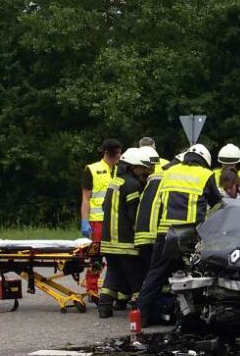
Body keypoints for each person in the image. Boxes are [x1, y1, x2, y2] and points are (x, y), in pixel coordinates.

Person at [137, 143, 222, 324]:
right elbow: (217, 203)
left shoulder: (169, 172)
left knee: (156, 275)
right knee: (195, 275)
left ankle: (141, 317)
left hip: (165, 232)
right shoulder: (205, 174)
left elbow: (158, 202)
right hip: (189, 235)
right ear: (204, 161)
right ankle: (190, 317)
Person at [98, 148, 152, 318]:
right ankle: (138, 308)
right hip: (125, 242)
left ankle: (104, 306)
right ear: (133, 167)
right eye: (142, 168)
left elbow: (104, 206)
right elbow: (133, 214)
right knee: (135, 275)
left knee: (113, 274)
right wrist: (140, 232)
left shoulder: (115, 182)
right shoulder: (133, 185)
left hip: (108, 241)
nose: (144, 171)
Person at [81, 139, 122, 299]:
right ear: (107, 153)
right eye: (116, 154)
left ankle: (116, 290)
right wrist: (84, 221)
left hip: (116, 220)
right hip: (97, 220)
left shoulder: (121, 170)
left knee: (117, 258)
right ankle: (92, 289)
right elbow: (85, 198)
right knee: (96, 258)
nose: (118, 157)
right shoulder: (92, 169)